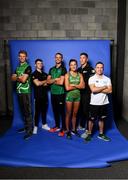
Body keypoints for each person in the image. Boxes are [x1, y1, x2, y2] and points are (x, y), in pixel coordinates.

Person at [85, 61, 112, 142]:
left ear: (103, 69)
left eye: (101, 67)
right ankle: (89, 134)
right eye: (98, 67)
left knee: (101, 119)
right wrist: (104, 87)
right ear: (95, 69)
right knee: (91, 119)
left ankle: (101, 134)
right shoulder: (91, 78)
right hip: (94, 103)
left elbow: (110, 91)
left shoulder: (107, 79)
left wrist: (98, 88)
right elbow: (93, 90)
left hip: (104, 103)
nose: (99, 69)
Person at [11, 50, 33, 140]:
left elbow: (24, 80)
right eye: (20, 56)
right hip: (19, 92)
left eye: (23, 56)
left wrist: (18, 77)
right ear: (18, 57)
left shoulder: (28, 67)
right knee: (22, 111)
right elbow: (12, 78)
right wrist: (19, 77)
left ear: (26, 57)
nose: (22, 57)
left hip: (26, 92)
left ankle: (30, 130)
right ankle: (25, 126)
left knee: (27, 111)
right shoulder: (17, 68)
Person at [47, 53, 67, 137]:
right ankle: (57, 126)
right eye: (56, 57)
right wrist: (56, 79)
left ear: (61, 59)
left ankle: (64, 128)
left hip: (60, 93)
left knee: (61, 112)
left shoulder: (63, 69)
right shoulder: (51, 69)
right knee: (55, 111)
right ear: (55, 58)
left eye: (59, 57)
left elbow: (61, 82)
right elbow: (47, 81)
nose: (58, 59)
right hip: (53, 93)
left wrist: (52, 80)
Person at [65, 59, 85, 139]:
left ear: (76, 65)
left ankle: (73, 129)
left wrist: (73, 85)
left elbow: (83, 86)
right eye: (71, 65)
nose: (73, 66)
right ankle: (67, 130)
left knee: (75, 114)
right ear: (69, 66)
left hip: (78, 96)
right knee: (69, 114)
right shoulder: (67, 75)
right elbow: (67, 88)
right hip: (69, 96)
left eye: (75, 64)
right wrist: (77, 85)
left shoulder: (80, 75)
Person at [77, 53, 95, 138]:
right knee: (80, 111)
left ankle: (88, 130)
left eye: (83, 58)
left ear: (86, 59)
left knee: (86, 111)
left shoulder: (91, 69)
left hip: (87, 94)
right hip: (78, 93)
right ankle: (81, 125)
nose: (81, 59)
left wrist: (92, 94)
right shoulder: (78, 69)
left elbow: (94, 83)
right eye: (80, 58)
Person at [32, 59, 50, 134]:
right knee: (37, 112)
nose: (40, 64)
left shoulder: (45, 74)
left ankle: (44, 124)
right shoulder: (33, 74)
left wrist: (42, 82)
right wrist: (44, 82)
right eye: (38, 63)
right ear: (35, 64)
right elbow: (37, 84)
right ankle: (35, 127)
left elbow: (47, 84)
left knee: (44, 111)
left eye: (41, 63)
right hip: (37, 96)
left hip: (45, 96)